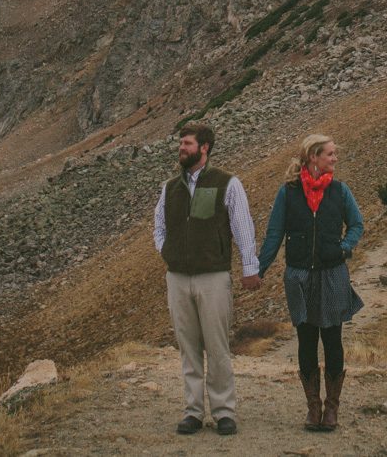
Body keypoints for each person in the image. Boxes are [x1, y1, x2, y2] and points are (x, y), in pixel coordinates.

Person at [153, 122, 261, 436]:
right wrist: (168, 252)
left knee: (217, 347)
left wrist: (249, 267)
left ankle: (224, 412)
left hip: (213, 277)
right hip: (177, 278)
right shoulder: (169, 187)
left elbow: (243, 227)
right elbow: (158, 227)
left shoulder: (228, 183)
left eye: (187, 143)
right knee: (187, 348)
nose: (181, 148)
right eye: (180, 143)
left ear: (204, 148)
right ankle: (193, 412)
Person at [256, 133, 364, 432]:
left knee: (332, 340)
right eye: (330, 154)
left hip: (332, 274)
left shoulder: (340, 191)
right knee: (306, 340)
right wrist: (258, 270)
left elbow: (357, 224)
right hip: (299, 275)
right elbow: (274, 234)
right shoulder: (288, 192)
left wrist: (344, 247)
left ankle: (332, 408)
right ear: (313, 157)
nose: (334, 159)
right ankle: (313, 408)